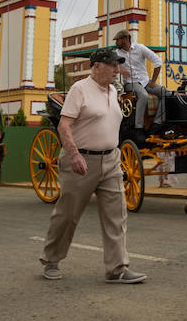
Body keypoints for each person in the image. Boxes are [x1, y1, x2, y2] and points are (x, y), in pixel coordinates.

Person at [39, 48, 147, 285]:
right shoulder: (80, 89)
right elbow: (64, 126)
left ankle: (117, 268)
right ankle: (51, 260)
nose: (116, 70)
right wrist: (74, 154)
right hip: (81, 162)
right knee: (67, 215)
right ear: (96, 66)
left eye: (118, 66)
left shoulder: (113, 91)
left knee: (116, 216)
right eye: (112, 65)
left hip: (110, 161)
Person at [114, 29, 166, 131]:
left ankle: (157, 122)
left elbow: (158, 62)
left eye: (117, 40)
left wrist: (153, 81)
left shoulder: (140, 48)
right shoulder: (117, 53)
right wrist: (120, 69)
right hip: (130, 83)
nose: (116, 43)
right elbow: (110, 66)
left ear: (125, 39)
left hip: (146, 82)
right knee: (143, 95)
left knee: (167, 93)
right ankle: (139, 127)